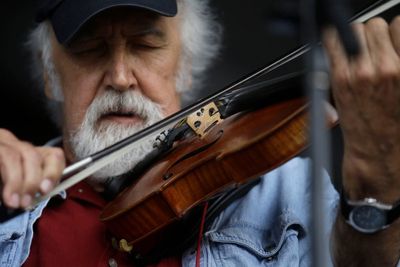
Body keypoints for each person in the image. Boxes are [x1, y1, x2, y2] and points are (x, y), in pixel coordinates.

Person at [1, 0, 400, 266]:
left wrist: (375, 175)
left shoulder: (285, 193)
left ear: (186, 64)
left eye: (144, 44)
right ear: (51, 74)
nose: (120, 77)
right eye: (90, 50)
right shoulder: (7, 200)